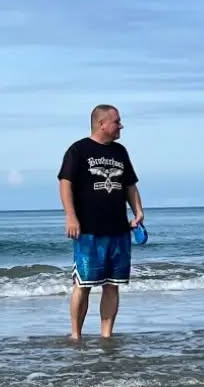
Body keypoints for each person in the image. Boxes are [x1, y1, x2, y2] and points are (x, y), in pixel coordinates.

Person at [58, 104, 144, 340]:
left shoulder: (120, 152)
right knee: (83, 284)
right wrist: (70, 215)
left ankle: (107, 335)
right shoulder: (79, 150)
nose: (121, 126)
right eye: (117, 122)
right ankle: (76, 334)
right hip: (88, 230)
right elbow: (65, 182)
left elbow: (129, 185)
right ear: (101, 124)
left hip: (118, 229)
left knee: (112, 284)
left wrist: (137, 211)